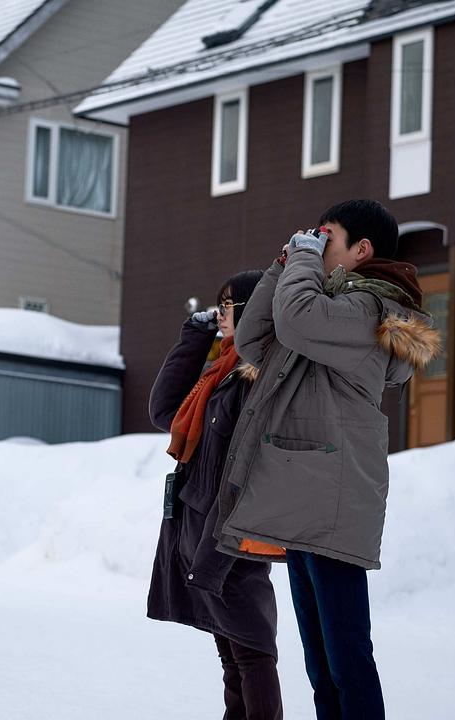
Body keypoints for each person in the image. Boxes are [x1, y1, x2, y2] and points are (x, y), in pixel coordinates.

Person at [214, 199, 440, 720]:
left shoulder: (369, 309)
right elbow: (253, 340)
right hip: (305, 499)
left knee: (347, 660)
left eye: (326, 237)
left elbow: (296, 319)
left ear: (362, 250)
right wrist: (282, 266)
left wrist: (300, 262)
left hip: (334, 502)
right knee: (320, 665)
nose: (315, 247)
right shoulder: (326, 309)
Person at [147, 271, 285, 720]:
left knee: (252, 648)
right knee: (231, 651)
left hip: (230, 530)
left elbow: (248, 468)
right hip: (199, 525)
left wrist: (217, 539)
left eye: (227, 305)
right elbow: (164, 410)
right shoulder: (222, 370)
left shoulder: (254, 375)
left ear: (250, 310)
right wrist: (195, 334)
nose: (219, 313)